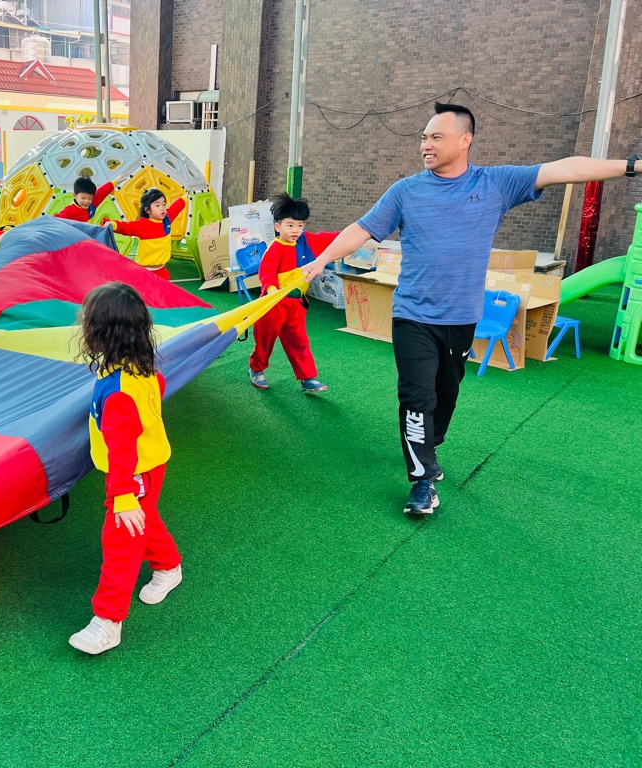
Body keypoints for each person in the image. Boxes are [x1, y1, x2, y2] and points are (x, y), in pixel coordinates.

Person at [301, 101, 641, 516]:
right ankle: (422, 480)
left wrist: (632, 166)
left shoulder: (496, 183)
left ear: (465, 140)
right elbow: (361, 229)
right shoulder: (406, 190)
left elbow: (564, 169)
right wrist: (320, 260)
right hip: (412, 316)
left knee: (446, 393)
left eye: (435, 137)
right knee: (416, 395)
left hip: (462, 318)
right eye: (423, 137)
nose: (425, 145)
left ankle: (431, 447)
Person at [69, 282, 183, 655]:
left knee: (120, 541)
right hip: (147, 465)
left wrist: (123, 495)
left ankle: (108, 620)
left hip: (133, 473)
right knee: (143, 519)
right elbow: (156, 389)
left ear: (98, 333)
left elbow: (122, 449)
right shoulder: (138, 366)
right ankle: (168, 565)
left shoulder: (118, 388)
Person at [248, 193, 340, 393]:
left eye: (300, 225)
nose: (296, 230)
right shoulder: (275, 248)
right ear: (277, 226)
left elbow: (330, 238)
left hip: (297, 305)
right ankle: (256, 368)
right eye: (290, 225)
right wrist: (271, 290)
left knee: (299, 341)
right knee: (265, 339)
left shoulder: (307, 240)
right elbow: (267, 273)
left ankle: (307, 378)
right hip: (273, 304)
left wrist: (358, 233)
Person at [104, 188, 186, 280]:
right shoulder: (142, 225)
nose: (162, 208)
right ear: (147, 210)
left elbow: (177, 206)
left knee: (164, 286)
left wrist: (185, 197)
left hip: (161, 269)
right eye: (157, 205)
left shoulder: (167, 219)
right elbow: (126, 227)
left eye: (164, 204)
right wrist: (113, 224)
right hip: (145, 271)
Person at [54, 173, 125, 222]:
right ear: (75, 195)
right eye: (83, 198)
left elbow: (102, 192)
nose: (87, 201)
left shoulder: (92, 204)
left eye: (89, 198)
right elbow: (54, 219)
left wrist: (115, 181)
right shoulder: (70, 210)